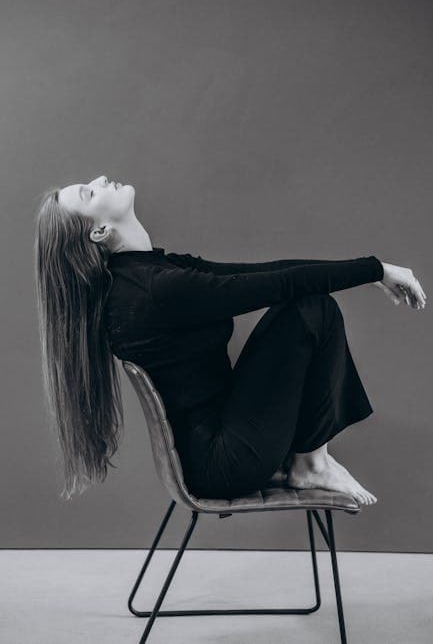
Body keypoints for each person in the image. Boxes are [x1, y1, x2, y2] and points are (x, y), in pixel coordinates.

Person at [34, 174, 427, 503]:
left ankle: (312, 464)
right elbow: (283, 284)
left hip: (218, 445)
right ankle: (311, 466)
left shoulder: (151, 274)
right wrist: (374, 270)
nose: (100, 179)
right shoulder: (156, 289)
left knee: (306, 302)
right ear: (99, 231)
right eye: (89, 192)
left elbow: (268, 275)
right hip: (223, 462)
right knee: (313, 310)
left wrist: (374, 270)